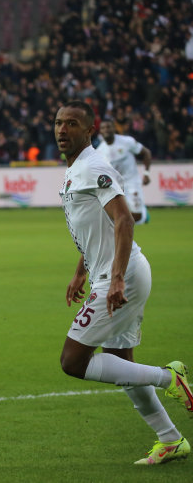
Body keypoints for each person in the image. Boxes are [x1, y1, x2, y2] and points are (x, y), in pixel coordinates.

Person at [54, 101, 192, 466]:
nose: (62, 129)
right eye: (58, 123)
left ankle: (169, 377)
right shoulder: (76, 170)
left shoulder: (94, 166)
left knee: (72, 361)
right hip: (114, 272)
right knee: (120, 364)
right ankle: (171, 439)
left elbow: (125, 221)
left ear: (89, 130)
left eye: (71, 123)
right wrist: (81, 271)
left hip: (122, 274)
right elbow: (96, 229)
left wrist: (114, 279)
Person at [95, 120, 152, 224]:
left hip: (132, 181)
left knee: (137, 216)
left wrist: (147, 174)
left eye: (109, 127)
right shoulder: (100, 151)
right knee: (115, 218)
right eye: (103, 128)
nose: (106, 130)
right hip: (115, 186)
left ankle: (144, 214)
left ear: (114, 129)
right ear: (100, 132)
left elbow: (146, 153)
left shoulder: (127, 142)